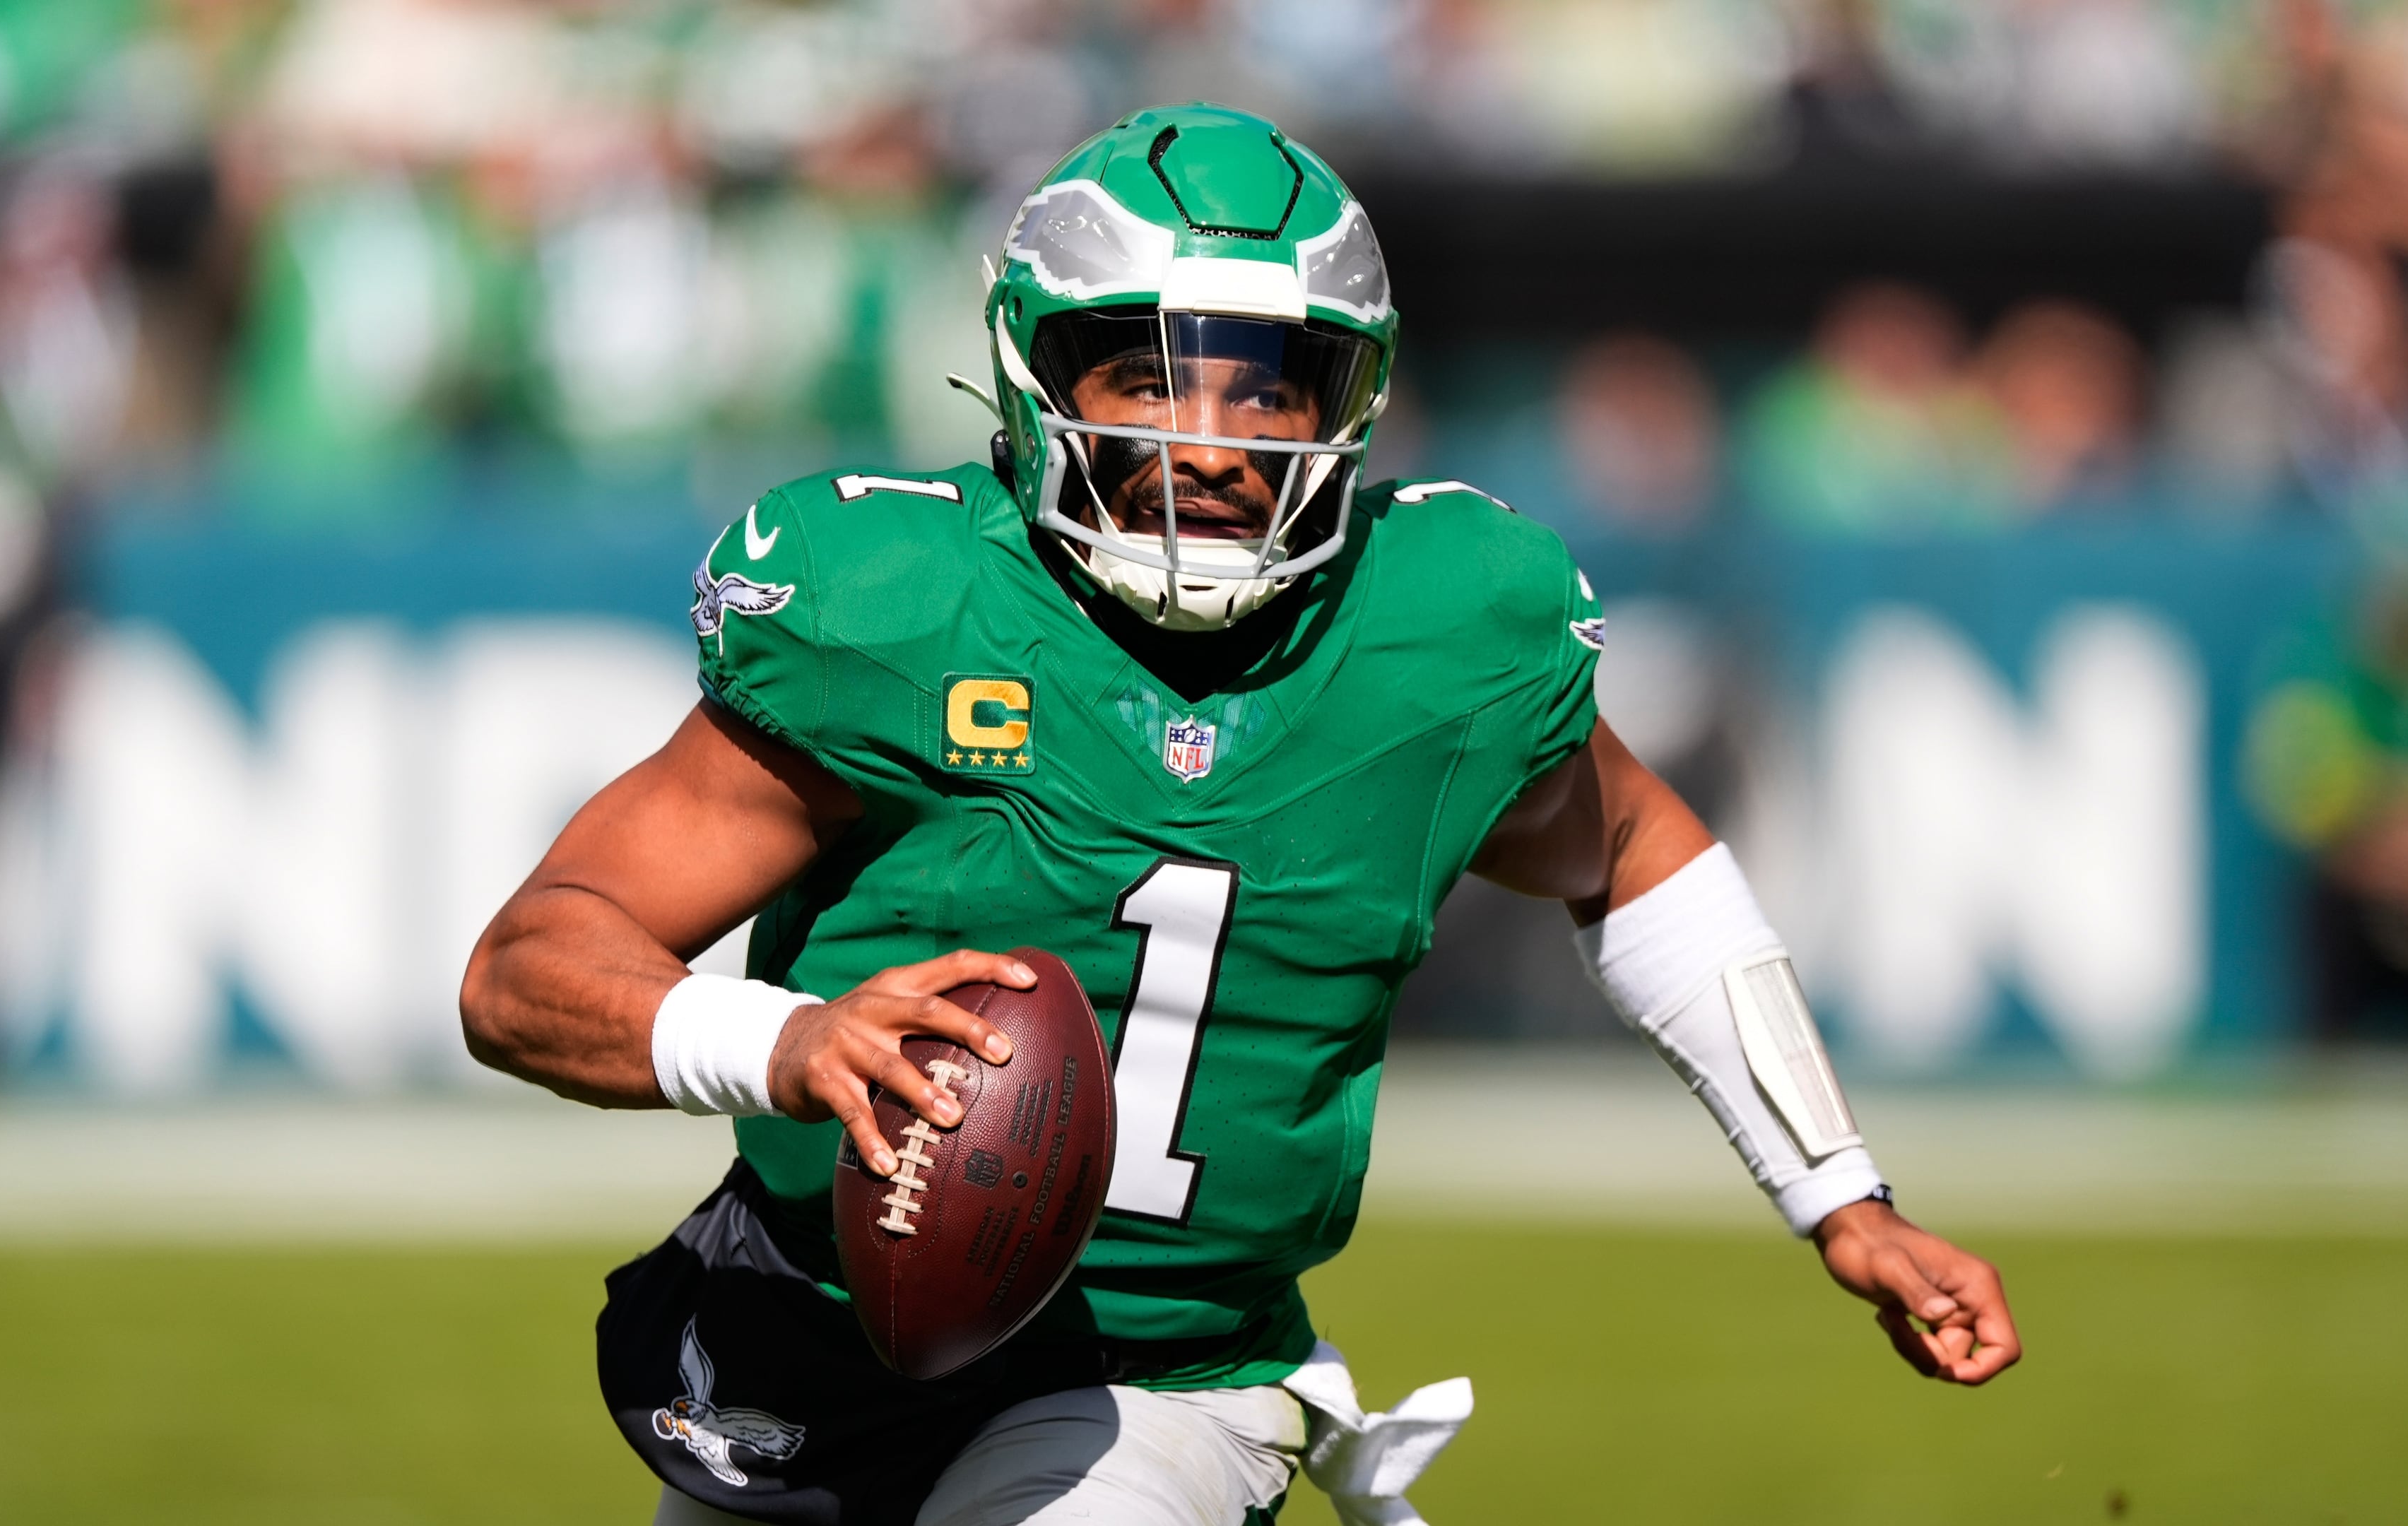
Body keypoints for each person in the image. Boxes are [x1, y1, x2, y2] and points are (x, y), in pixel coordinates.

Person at [459, 103, 2018, 1526]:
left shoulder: (1438, 632)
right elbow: (528, 971)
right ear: (1037, 374)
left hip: (1162, 1385)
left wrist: (1840, 1197)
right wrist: (786, 1044)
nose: (1207, 445)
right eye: (1148, 375)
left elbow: (1635, 858)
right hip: (810, 1327)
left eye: (1268, 388)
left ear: (1354, 403)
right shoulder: (897, 609)